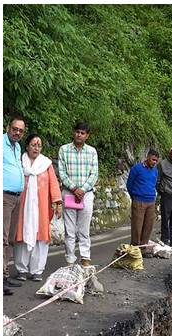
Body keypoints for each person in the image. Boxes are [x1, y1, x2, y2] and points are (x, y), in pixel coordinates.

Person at [58, 121, 102, 293]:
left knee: (84, 230)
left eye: (83, 133)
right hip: (69, 192)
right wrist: (74, 188)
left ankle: (85, 258)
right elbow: (61, 172)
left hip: (86, 193)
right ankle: (70, 260)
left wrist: (82, 189)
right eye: (77, 132)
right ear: (73, 133)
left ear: (87, 135)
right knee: (69, 230)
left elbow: (94, 173)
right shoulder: (64, 150)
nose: (79, 135)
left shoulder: (92, 152)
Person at [12, 135, 62, 282]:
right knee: (21, 236)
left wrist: (58, 203)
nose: (36, 148)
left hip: (41, 208)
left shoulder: (46, 164)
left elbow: (54, 184)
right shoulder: (20, 162)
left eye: (39, 145)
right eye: (33, 145)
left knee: (40, 238)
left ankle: (37, 270)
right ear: (27, 146)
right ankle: (21, 269)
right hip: (23, 207)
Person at [2, 115, 27, 296]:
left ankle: (5, 274)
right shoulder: (1, 143)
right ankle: (1, 278)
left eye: (20, 130)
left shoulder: (17, 147)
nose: (17, 132)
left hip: (17, 197)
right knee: (2, 238)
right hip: (5, 196)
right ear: (8, 127)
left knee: (10, 238)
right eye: (15, 129)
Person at [126, 148, 160, 247]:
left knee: (148, 226)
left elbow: (154, 184)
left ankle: (144, 247)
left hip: (151, 201)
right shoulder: (136, 169)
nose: (154, 162)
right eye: (153, 160)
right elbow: (129, 185)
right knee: (137, 227)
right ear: (147, 157)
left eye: (156, 161)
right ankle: (135, 248)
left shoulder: (155, 171)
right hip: (139, 201)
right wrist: (135, 196)